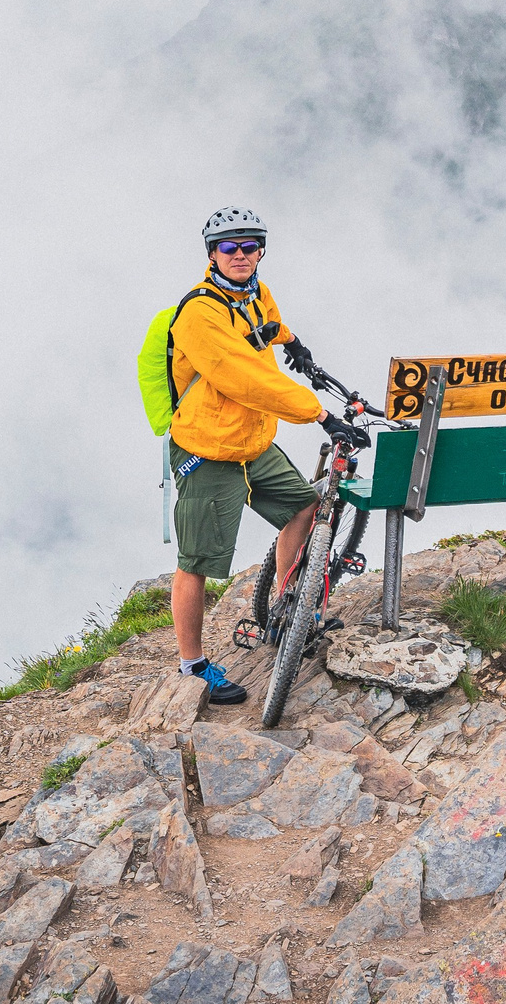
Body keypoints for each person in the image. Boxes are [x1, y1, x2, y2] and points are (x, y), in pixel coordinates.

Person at [162, 206, 359, 705]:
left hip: (252, 441)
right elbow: (244, 378)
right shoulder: (199, 315)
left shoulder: (253, 292)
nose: (242, 256)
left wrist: (296, 345)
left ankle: (285, 611)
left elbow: (268, 323)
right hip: (208, 450)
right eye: (230, 247)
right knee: (197, 562)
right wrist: (319, 414)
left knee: (305, 508)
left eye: (252, 247)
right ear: (211, 254)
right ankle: (193, 665)